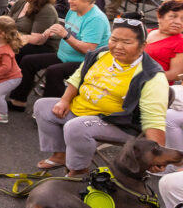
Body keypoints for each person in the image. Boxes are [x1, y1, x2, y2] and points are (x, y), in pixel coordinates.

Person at [33, 18, 169, 176]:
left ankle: (79, 170)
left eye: (127, 42)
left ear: (143, 46)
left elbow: (154, 119)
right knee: (42, 106)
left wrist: (157, 155)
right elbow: (78, 77)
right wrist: (64, 100)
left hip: (118, 122)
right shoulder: (102, 53)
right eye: (114, 39)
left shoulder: (151, 75)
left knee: (76, 127)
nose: (118, 46)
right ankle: (60, 155)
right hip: (83, 109)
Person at [8, 0, 111, 111]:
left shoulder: (95, 19)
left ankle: (50, 110)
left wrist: (65, 35)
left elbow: (89, 49)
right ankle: (18, 102)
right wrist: (54, 29)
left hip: (86, 62)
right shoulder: (74, 10)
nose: (69, 1)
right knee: (28, 61)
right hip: (64, 55)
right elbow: (71, 29)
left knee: (54, 71)